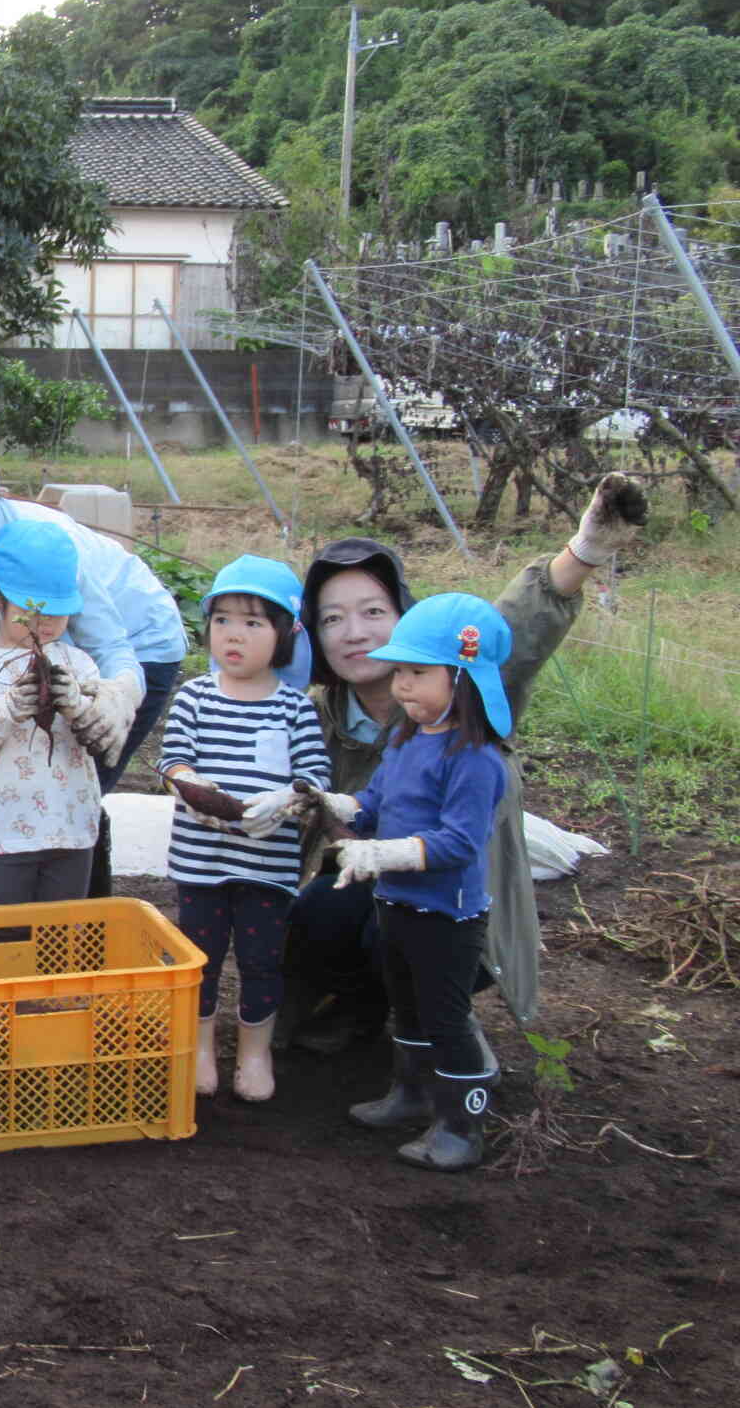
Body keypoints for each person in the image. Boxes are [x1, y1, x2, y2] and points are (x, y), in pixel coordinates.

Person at [287, 473, 648, 1052]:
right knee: (312, 911)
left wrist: (587, 549)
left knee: (399, 936)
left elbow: (515, 624)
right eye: (332, 619)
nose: (354, 633)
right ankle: (349, 1008)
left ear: (403, 619)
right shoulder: (315, 717)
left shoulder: (462, 703)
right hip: (366, 884)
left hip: (452, 900)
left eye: (373, 611)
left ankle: (445, 1038)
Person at [0, 387, 186, 898]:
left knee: (75, 785)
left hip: (138, 645)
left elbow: (113, 649)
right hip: (46, 651)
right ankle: (33, 920)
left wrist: (112, 699)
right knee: (36, 786)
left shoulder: (40, 541)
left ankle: (80, 930)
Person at [296, 594, 514, 1172]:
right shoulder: (405, 738)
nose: (403, 686)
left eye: (419, 673)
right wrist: (330, 802)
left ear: (463, 678)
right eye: (401, 673)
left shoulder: (476, 759)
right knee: (407, 1004)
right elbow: (376, 803)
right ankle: (410, 1094)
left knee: (446, 1017)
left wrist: (382, 854)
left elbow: (459, 843)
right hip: (396, 903)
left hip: (447, 914)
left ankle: (461, 1125)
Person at [160, 556, 330, 1103]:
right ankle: (201, 1049)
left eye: (254, 623)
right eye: (223, 620)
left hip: (267, 864)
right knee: (200, 957)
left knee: (261, 960)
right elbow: (171, 761)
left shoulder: (294, 709)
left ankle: (256, 1053)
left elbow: (314, 778)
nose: (234, 634)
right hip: (201, 859)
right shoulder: (195, 697)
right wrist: (193, 789)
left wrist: (287, 800)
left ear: (285, 635)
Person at [0, 520, 103, 907]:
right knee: (5, 936)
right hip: (1, 832)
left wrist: (77, 706)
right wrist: (11, 706)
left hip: (72, 827)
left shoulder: (79, 665)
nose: (44, 622)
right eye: (31, 610)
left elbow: (102, 737)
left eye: (57, 611)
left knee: (61, 937)